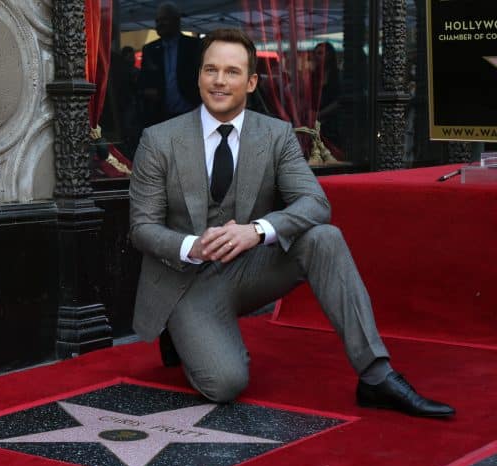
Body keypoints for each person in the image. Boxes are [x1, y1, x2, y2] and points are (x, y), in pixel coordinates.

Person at [129, 28, 454, 418]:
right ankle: (180, 333)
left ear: (251, 82)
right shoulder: (159, 140)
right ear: (198, 76)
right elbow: (142, 228)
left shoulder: (276, 135)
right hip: (186, 281)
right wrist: (192, 247)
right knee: (225, 384)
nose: (219, 81)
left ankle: (376, 374)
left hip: (247, 268)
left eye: (232, 72)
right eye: (210, 70)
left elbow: (316, 203)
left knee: (324, 237)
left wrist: (256, 231)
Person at [137, 2, 202, 127]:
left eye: (164, 19)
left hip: (191, 113)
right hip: (161, 116)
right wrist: (146, 91)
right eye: (157, 21)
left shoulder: (194, 46)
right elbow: (143, 80)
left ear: (176, 20)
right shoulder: (150, 49)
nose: (159, 24)